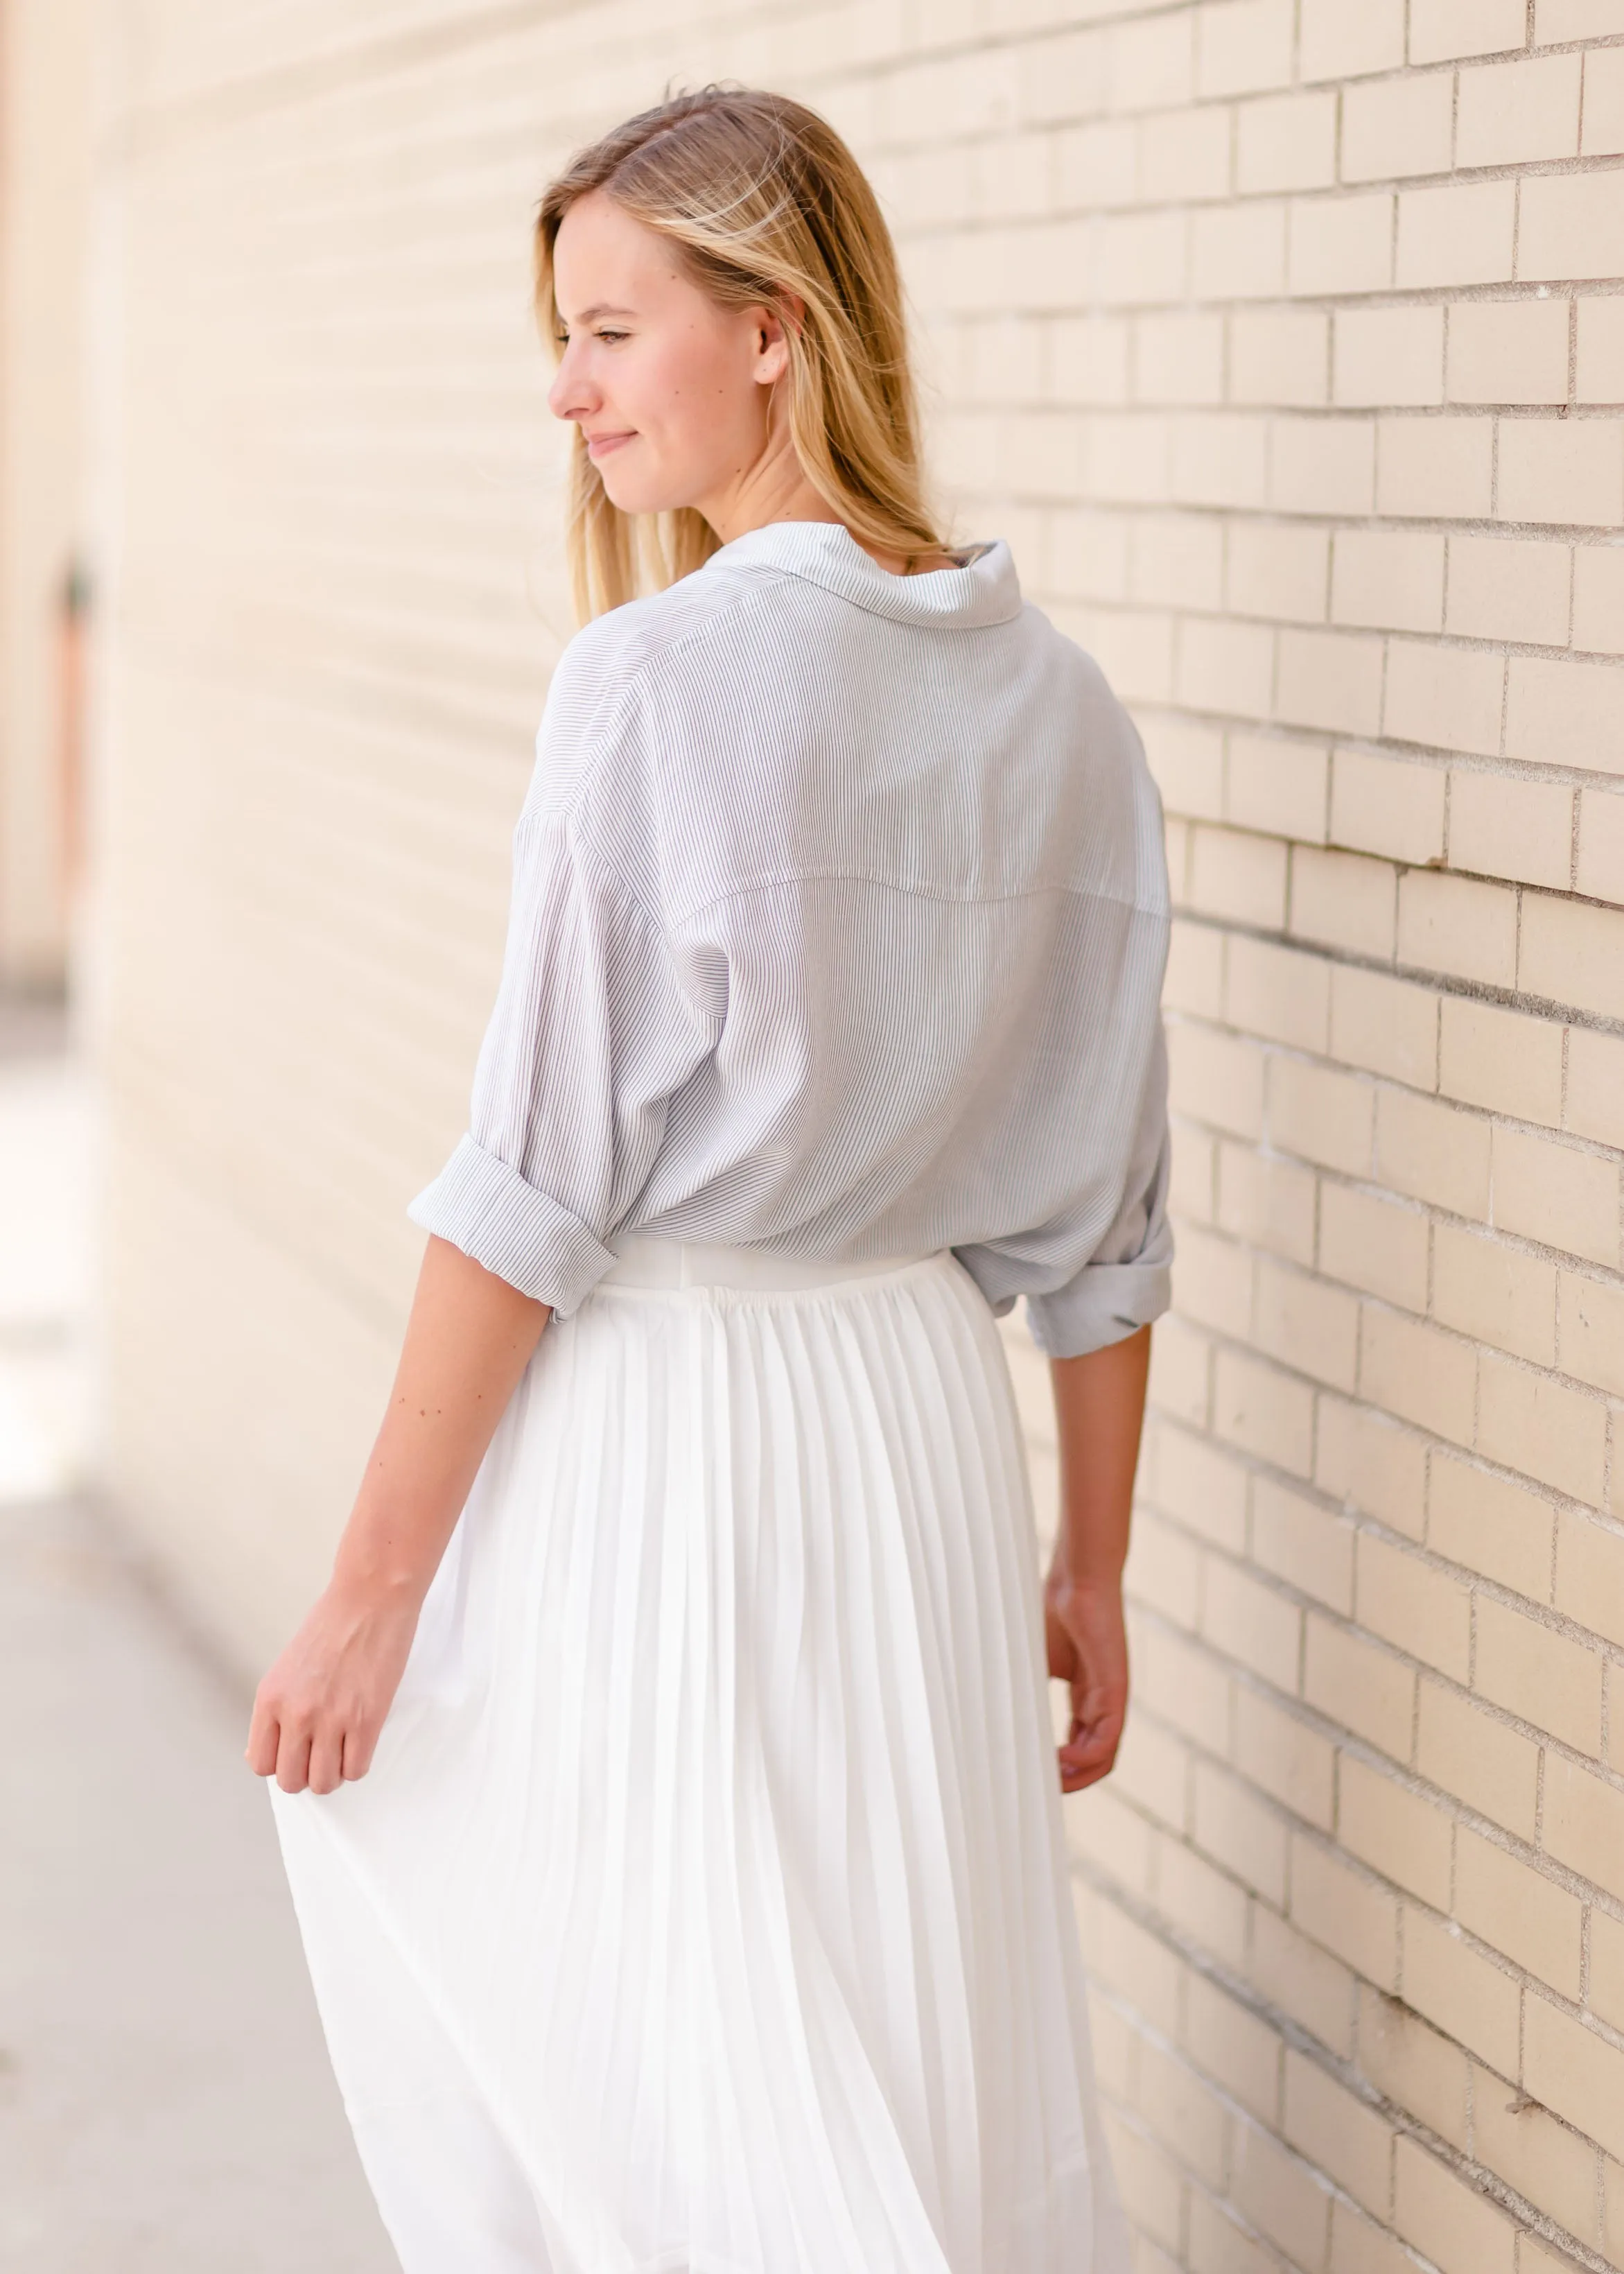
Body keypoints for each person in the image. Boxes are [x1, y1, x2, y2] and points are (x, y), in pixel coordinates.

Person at [247, 83, 1171, 2274]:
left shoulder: (650, 677)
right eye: (552, 341)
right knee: (884, 2031)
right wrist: (1092, 1567)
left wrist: (373, 1588)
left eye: (607, 328)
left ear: (775, 330)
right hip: (920, 1449)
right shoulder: (1064, 706)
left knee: (658, 2067)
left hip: (677, 1446)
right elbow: (1102, 1222)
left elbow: (532, 1182)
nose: (565, 391)